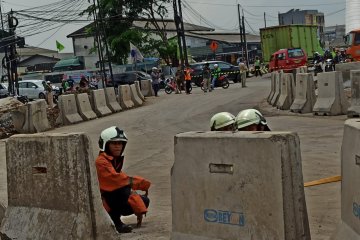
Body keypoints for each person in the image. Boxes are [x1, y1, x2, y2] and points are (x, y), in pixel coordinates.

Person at [95, 126, 151, 233]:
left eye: (120, 143)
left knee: (144, 201)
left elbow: (121, 178)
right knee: (122, 190)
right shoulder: (101, 162)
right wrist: (138, 183)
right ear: (106, 144)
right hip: (103, 200)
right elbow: (117, 181)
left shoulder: (113, 160)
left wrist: (138, 204)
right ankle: (116, 223)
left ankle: (116, 218)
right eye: (114, 143)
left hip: (110, 198)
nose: (118, 147)